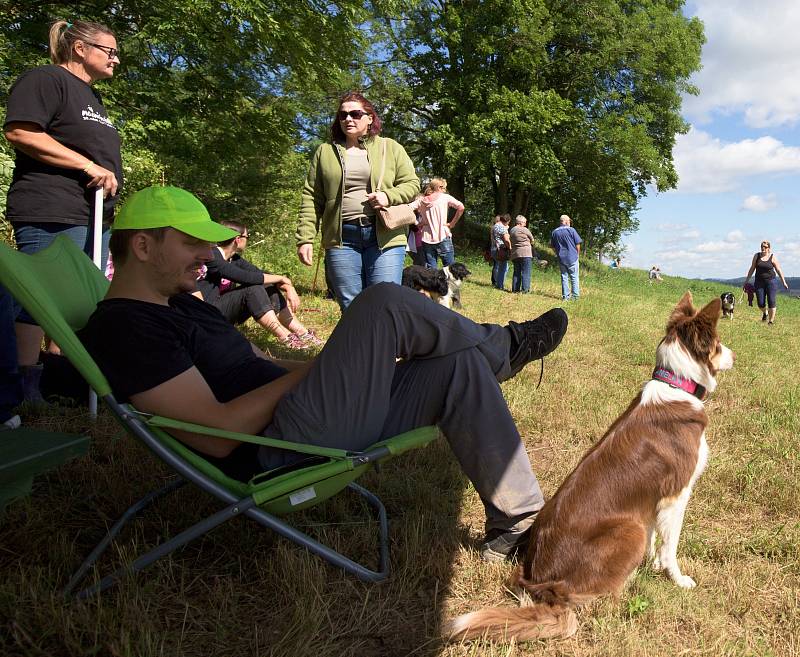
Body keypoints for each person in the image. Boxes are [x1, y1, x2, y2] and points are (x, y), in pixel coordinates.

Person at [79, 185, 570, 561]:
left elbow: (260, 365)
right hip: (281, 449)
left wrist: (350, 366)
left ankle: (517, 524)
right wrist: (315, 373)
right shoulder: (127, 326)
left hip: (307, 414)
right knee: (383, 304)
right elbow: (216, 435)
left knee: (457, 363)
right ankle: (506, 346)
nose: (209, 255)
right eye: (193, 243)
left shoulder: (186, 307)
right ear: (142, 246)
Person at [4, 19, 122, 402]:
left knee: (77, 299)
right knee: (39, 297)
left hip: (92, 212)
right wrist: (87, 166)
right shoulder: (46, 80)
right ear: (80, 49)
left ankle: (58, 376)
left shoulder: (94, 98)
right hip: (51, 205)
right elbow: (21, 132)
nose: (116, 59)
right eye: (110, 51)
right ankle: (22, 382)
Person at [296, 92, 420, 311]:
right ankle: (358, 346)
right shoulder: (325, 152)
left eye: (355, 114)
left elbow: (412, 184)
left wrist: (387, 196)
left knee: (384, 301)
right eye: (343, 115)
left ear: (370, 118)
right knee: (351, 305)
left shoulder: (390, 147)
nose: (348, 119)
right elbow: (312, 197)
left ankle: (385, 346)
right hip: (342, 238)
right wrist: (305, 238)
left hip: (385, 235)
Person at [197, 220, 323, 350]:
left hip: (224, 310)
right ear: (238, 239)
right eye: (247, 236)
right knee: (253, 287)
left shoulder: (233, 258)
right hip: (206, 315)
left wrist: (288, 287)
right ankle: (286, 338)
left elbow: (260, 274)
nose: (248, 239)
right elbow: (246, 277)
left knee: (267, 285)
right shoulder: (212, 256)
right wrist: (283, 278)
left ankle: (302, 333)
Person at [407, 177, 464, 269]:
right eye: (444, 188)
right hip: (443, 236)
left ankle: (433, 283)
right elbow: (461, 207)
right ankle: (449, 283)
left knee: (431, 269)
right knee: (450, 268)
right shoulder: (445, 197)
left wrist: (417, 223)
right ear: (439, 187)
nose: (445, 190)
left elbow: (407, 208)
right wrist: (452, 223)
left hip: (426, 238)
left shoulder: (421, 200)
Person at [743, 240, 789, 325]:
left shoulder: (772, 257)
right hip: (759, 282)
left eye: (765, 247)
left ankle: (771, 321)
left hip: (771, 282)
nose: (763, 248)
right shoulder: (757, 256)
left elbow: (778, 270)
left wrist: (784, 282)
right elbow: (752, 268)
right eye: (762, 246)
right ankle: (765, 313)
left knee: (771, 301)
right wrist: (746, 280)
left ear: (769, 248)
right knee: (760, 303)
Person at [550, 214, 583, 301]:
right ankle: (575, 297)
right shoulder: (571, 230)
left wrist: (557, 254)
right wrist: (577, 254)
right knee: (574, 277)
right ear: (566, 221)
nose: (569, 222)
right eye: (568, 221)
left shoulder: (554, 232)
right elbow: (578, 244)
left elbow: (552, 246)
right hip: (572, 257)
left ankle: (566, 297)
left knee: (564, 277)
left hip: (561, 258)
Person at [509, 215, 535, 293]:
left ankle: (515, 289)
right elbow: (532, 239)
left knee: (516, 272)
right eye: (525, 222)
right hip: (526, 253)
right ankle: (525, 290)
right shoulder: (525, 230)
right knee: (526, 272)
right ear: (521, 222)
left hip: (515, 253)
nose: (525, 224)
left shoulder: (512, 230)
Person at [491, 214, 512, 291]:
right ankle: (500, 285)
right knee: (504, 268)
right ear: (507, 221)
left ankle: (498, 284)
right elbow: (506, 240)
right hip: (501, 250)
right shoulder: (502, 227)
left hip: (494, 248)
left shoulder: (495, 226)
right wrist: (509, 248)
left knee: (499, 267)